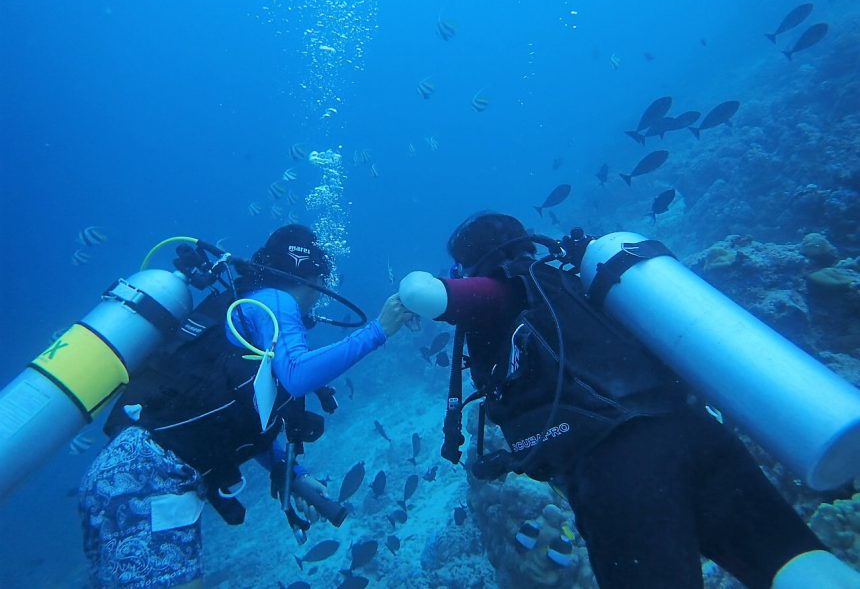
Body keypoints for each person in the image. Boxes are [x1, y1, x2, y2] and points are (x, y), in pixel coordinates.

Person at [398, 212, 860, 589]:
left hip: (617, 469)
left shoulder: (499, 292)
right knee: (792, 562)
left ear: (472, 263)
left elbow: (422, 291)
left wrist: (414, 295)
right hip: (696, 433)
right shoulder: (580, 282)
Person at [79, 224, 412, 589]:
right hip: (152, 477)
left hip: (128, 472)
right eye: (320, 283)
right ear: (311, 276)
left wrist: (290, 473)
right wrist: (379, 330)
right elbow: (297, 375)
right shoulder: (277, 301)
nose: (318, 299)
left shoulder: (246, 311)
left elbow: (235, 409)